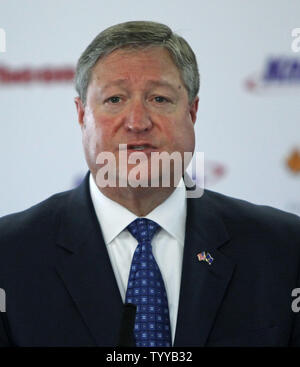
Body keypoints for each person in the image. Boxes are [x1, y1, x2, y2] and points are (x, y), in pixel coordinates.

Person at [0, 20, 300, 347]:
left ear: (192, 111)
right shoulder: (9, 255)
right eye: (115, 99)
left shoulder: (284, 248)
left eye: (159, 99)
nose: (137, 122)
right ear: (81, 114)